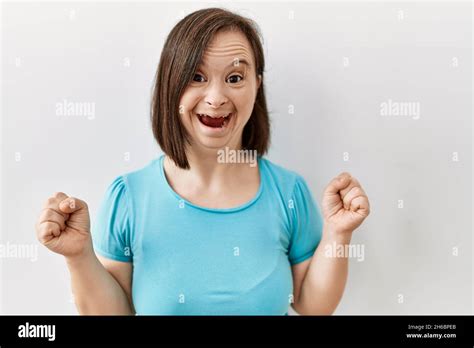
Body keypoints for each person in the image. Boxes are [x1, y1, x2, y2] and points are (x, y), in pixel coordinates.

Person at [35, 8, 370, 315]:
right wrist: (78, 256)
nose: (215, 97)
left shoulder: (289, 192)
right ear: (171, 85)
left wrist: (338, 234)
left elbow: (313, 305)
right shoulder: (128, 197)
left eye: (235, 78)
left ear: (257, 84)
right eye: (196, 77)